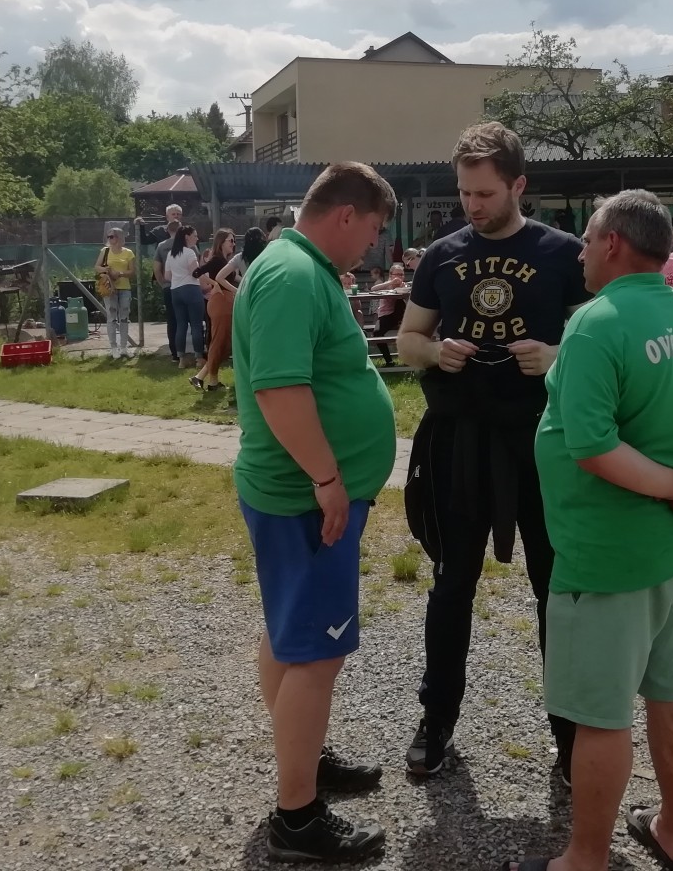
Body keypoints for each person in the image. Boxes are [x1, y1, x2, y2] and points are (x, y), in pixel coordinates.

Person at [506, 189, 673, 871]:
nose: (581, 254)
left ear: (612, 243)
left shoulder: (595, 324)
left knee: (600, 713)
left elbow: (591, 445)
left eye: (587, 240)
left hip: (611, 554)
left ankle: (585, 858)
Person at [397, 121, 589, 780]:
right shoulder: (442, 255)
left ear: (517, 185)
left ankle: (570, 732)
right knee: (452, 582)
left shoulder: (564, 253)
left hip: (543, 440)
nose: (472, 206)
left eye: (484, 193)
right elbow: (408, 339)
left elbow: (604, 341)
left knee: (554, 587)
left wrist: (558, 355)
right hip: (461, 439)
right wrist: (436, 351)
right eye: (464, 193)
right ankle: (437, 718)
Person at [232, 162, 398, 863]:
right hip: (304, 497)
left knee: (290, 634)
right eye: (374, 229)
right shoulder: (293, 274)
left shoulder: (301, 269)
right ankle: (296, 819)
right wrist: (327, 479)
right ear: (346, 214)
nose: (373, 244)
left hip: (303, 494)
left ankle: (304, 758)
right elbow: (279, 390)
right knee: (316, 650)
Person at [190, 229, 237, 391]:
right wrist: (215, 283)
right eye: (230, 240)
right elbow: (197, 272)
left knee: (224, 343)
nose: (233, 244)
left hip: (225, 302)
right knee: (220, 342)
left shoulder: (225, 260)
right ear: (221, 242)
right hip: (220, 302)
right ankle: (210, 381)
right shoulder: (217, 260)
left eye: (234, 241)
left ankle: (204, 378)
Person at [164, 226, 206, 368]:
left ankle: (181, 359)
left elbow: (167, 276)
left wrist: (179, 278)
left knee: (181, 324)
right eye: (195, 235)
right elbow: (195, 272)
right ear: (187, 237)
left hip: (175, 290)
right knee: (196, 324)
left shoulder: (171, 254)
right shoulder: (190, 252)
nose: (197, 238)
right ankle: (199, 358)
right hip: (191, 289)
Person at [95, 227, 136, 359]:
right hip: (109, 287)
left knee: (124, 317)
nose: (109, 239)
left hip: (124, 288)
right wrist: (106, 270)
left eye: (112, 236)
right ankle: (113, 347)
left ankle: (123, 347)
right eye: (108, 237)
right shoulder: (105, 251)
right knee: (111, 317)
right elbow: (97, 267)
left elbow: (132, 272)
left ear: (119, 237)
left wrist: (120, 273)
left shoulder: (128, 253)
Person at [370, 262, 407, 366]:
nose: (399, 277)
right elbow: (373, 289)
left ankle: (409, 359)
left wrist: (403, 290)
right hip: (385, 315)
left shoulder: (404, 286)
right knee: (377, 333)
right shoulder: (386, 285)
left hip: (400, 315)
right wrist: (390, 283)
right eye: (397, 274)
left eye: (401, 274)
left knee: (400, 301)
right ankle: (389, 361)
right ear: (391, 275)